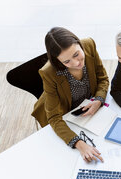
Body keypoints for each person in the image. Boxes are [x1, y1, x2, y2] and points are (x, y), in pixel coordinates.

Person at [32, 27, 109, 163]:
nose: (76, 63)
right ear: (58, 61)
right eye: (67, 62)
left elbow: (102, 78)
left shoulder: (89, 45)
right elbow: (54, 117)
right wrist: (79, 143)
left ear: (79, 44)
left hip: (88, 108)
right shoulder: (49, 73)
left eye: (76, 54)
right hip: (64, 115)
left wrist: (98, 99)